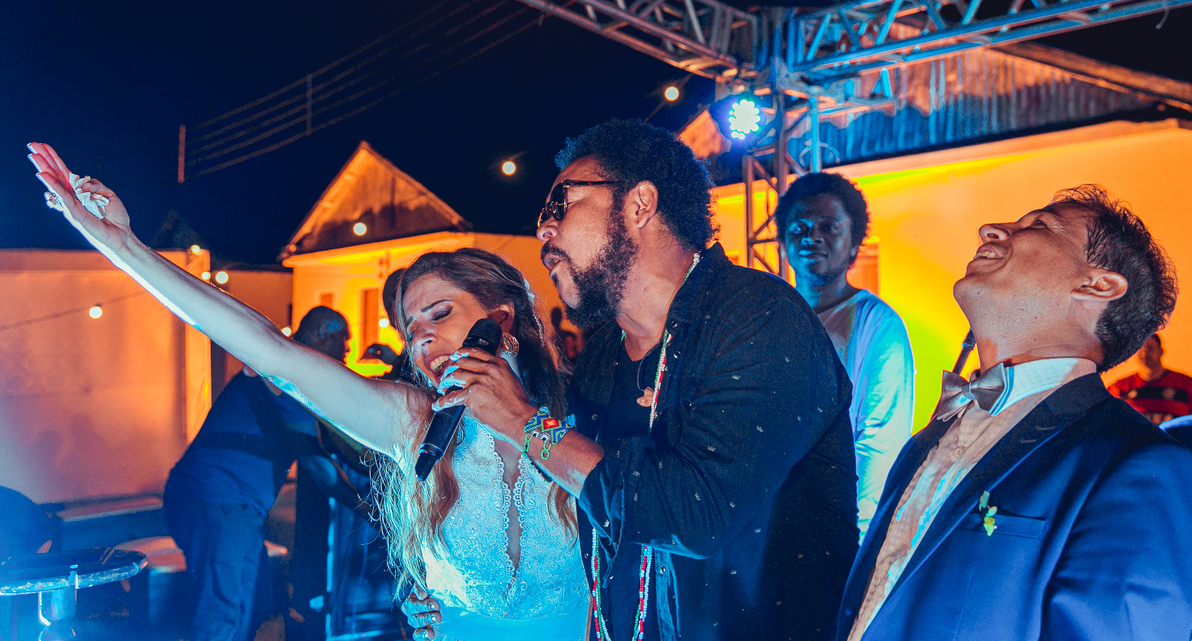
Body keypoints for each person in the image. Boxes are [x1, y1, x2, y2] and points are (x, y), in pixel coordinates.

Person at [26, 144, 589, 641]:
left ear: (502, 319)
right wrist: (123, 246)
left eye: (440, 314)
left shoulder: (587, 411)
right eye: (412, 329)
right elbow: (273, 353)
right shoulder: (415, 421)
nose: (424, 340)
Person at [429, 120, 859, 641]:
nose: (543, 230)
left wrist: (525, 422)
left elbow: (697, 514)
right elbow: (583, 513)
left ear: (639, 205)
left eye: (560, 205)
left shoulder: (759, 316)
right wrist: (450, 586)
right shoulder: (603, 354)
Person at [836, 185, 1192, 641]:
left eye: (1039, 226)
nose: (991, 228)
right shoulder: (926, 442)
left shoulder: (1139, 468)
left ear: (1098, 284)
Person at [162, 306, 347, 641]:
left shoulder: (286, 370)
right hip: (218, 500)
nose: (346, 353)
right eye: (342, 342)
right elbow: (314, 459)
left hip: (231, 505)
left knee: (251, 605)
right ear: (323, 333)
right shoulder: (283, 372)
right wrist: (367, 506)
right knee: (223, 611)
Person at [776, 173, 914, 539]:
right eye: (800, 227)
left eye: (828, 225)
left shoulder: (878, 324)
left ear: (855, 242)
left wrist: (853, 536)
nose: (812, 236)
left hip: (837, 530)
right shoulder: (769, 318)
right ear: (783, 243)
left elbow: (880, 440)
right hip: (770, 526)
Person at [1107, 333, 1192, 424]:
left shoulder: (1185, 384)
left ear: (1161, 351)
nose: (1144, 353)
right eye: (1139, 349)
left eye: (1150, 348)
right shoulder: (1119, 388)